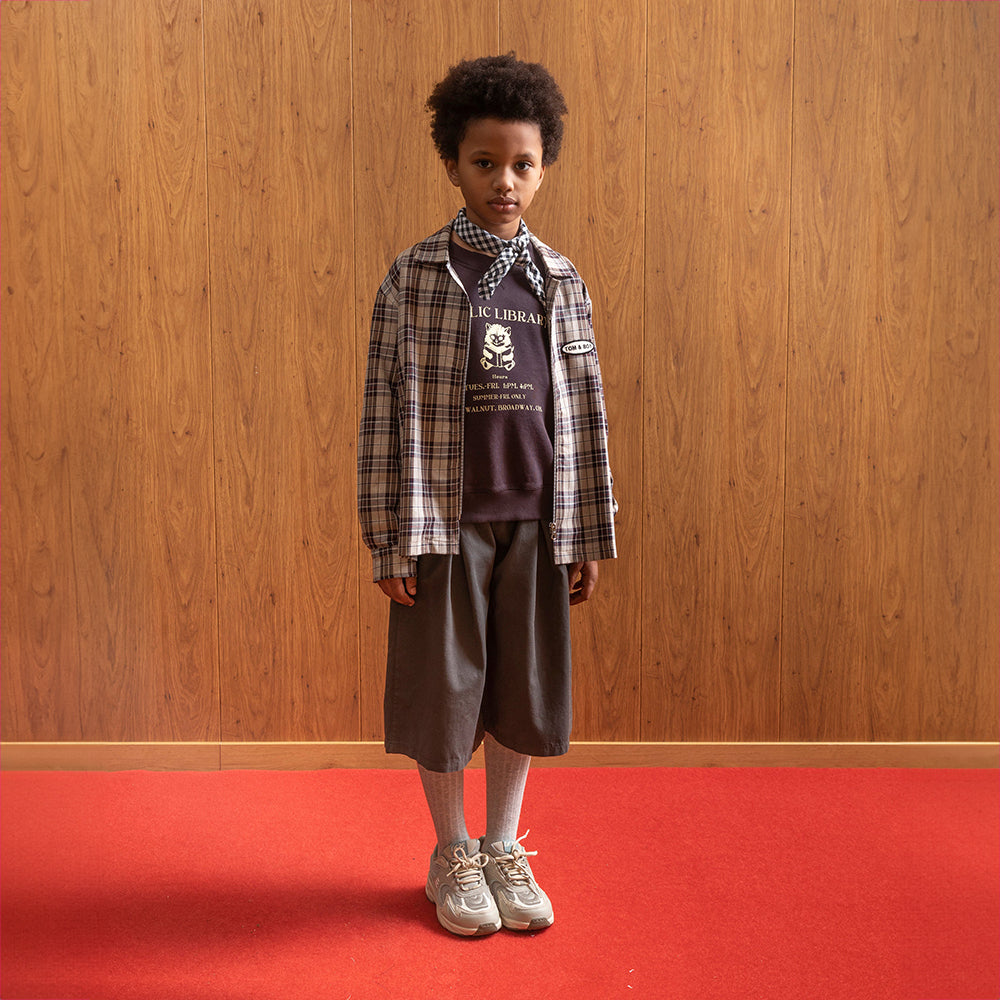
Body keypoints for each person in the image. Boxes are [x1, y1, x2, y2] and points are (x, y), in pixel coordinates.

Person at [357, 53, 616, 937]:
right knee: (445, 693)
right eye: (484, 163)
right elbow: (382, 416)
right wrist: (387, 537)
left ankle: (504, 845)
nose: (504, 182)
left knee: (521, 690)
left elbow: (583, 410)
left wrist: (585, 527)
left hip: (536, 525)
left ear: (544, 166)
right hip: (444, 525)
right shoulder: (414, 278)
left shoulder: (563, 280)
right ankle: (452, 850)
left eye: (523, 165)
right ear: (453, 162)